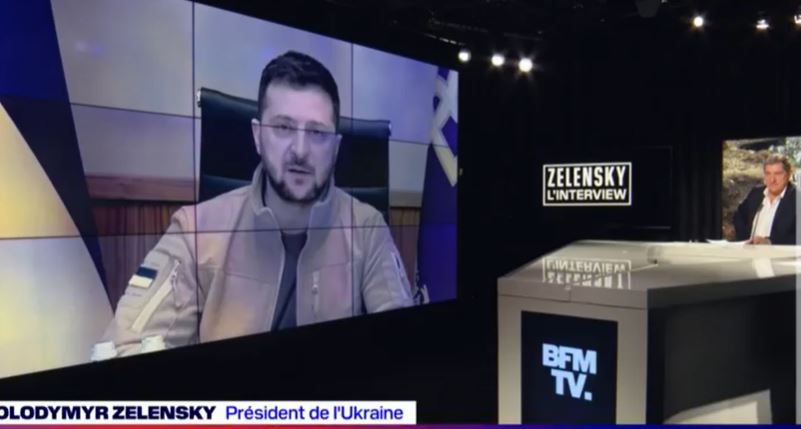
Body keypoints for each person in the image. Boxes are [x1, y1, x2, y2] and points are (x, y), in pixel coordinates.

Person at [102, 51, 413, 356]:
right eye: (283, 128)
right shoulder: (195, 231)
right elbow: (125, 346)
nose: (300, 150)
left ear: (335, 147)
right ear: (257, 136)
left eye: (317, 133)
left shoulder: (368, 228)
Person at [733, 153, 797, 245]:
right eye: (768, 174)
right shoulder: (756, 194)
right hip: (750, 252)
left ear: (788, 174)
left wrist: (770, 242)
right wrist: (746, 240)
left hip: (781, 254)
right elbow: (739, 217)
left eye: (777, 174)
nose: (772, 180)